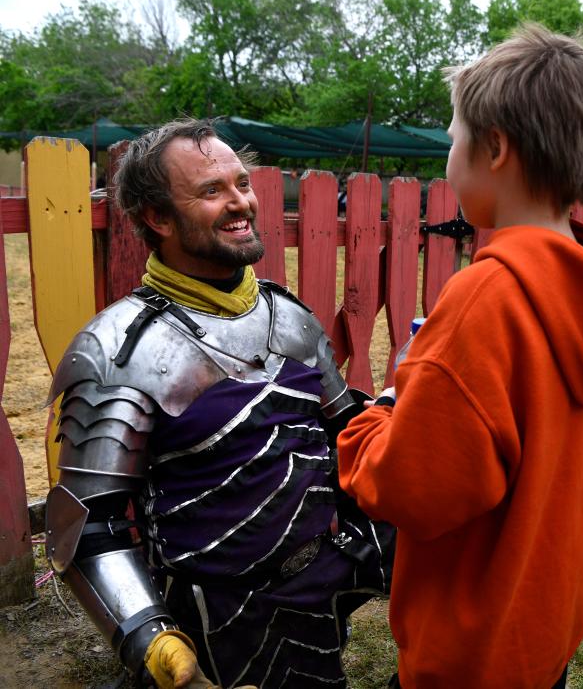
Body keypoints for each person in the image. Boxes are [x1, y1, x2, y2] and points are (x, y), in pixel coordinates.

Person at [337, 25, 583, 688]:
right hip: (542, 639)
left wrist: (371, 422)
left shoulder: (486, 300)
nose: (448, 155)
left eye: (453, 138)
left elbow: (413, 490)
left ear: (495, 149)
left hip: (468, 659)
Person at [44, 118, 393, 689]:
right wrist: (151, 638)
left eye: (242, 183)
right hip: (210, 619)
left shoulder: (291, 319)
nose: (242, 203)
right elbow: (86, 528)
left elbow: (350, 442)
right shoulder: (118, 350)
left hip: (322, 591)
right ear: (158, 217)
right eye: (212, 191)